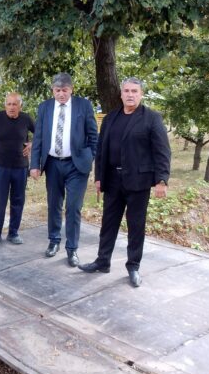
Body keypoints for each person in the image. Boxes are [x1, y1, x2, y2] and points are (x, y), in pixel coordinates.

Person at [78, 77, 171, 287]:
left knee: (136, 225)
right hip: (112, 180)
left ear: (141, 94)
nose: (130, 95)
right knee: (108, 223)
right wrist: (99, 177)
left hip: (138, 182)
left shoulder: (151, 118)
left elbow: (162, 152)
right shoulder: (111, 118)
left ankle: (133, 266)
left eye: (134, 91)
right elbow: (101, 149)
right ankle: (103, 261)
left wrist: (162, 180)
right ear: (121, 94)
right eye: (127, 91)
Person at [30, 72, 98, 267]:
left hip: (76, 165)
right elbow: (38, 138)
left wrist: (90, 156)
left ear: (71, 89)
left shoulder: (83, 106)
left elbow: (93, 135)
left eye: (64, 90)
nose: (61, 94)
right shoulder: (44, 107)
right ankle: (54, 241)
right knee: (54, 204)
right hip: (52, 163)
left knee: (73, 207)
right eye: (57, 90)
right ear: (53, 90)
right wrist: (34, 164)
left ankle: (72, 248)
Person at [0, 92, 35, 246]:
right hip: (0, 166)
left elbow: (41, 133)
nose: (11, 107)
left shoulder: (26, 119)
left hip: (20, 167)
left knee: (18, 201)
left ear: (20, 106)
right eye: (9, 104)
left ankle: (13, 233)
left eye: (15, 104)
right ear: (5, 105)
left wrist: (32, 144)